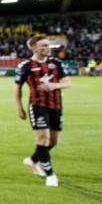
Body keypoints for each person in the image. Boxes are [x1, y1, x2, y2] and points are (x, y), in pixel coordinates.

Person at [14, 35, 71, 187]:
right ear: (35, 49)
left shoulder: (56, 63)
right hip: (37, 105)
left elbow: (67, 83)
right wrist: (19, 108)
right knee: (42, 140)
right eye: (44, 45)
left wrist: (54, 86)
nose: (48, 48)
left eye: (48, 45)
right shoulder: (25, 66)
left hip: (56, 105)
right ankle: (50, 175)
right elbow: (17, 88)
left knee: (53, 141)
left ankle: (32, 160)